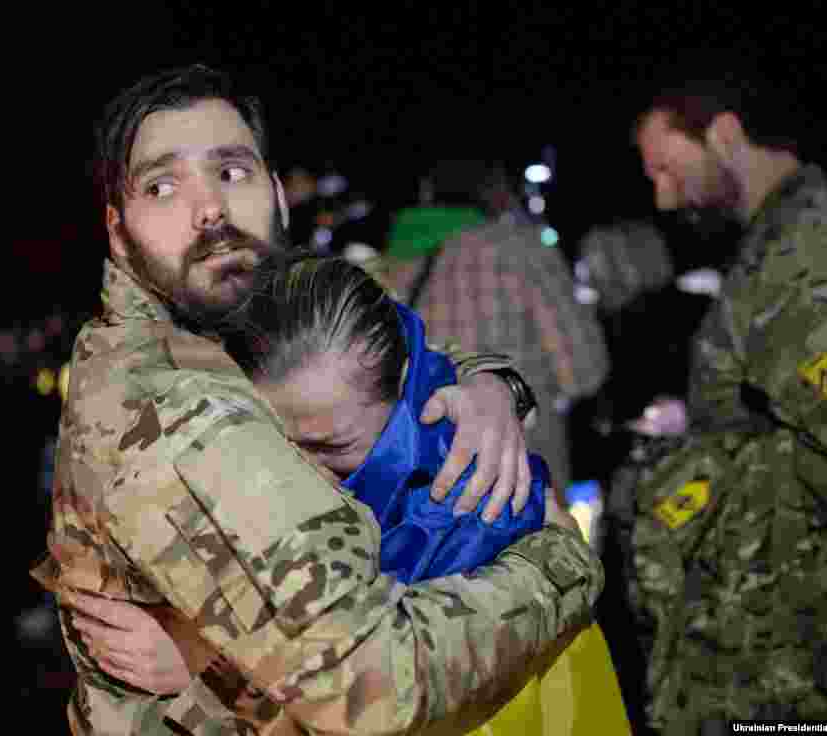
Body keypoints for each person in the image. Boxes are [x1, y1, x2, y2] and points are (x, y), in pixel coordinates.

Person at [32, 64, 603, 735]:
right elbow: (374, 686)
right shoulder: (175, 404)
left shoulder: (249, 315)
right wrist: (561, 564)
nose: (208, 207)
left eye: (231, 170)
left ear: (276, 192)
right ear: (119, 230)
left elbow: (394, 348)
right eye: (162, 185)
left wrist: (485, 385)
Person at [65, 254, 632, 735]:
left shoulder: (456, 500)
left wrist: (206, 661)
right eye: (281, 448)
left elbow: (378, 687)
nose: (303, 477)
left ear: (407, 382)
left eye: (332, 447)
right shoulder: (398, 419)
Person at [617, 75, 827, 731]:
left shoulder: (811, 244)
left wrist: (674, 483)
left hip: (812, 650)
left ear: (724, 135)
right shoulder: (781, 233)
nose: (664, 197)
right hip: (786, 631)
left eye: (668, 168)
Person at [369, 159, 610, 499]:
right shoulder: (521, 250)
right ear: (497, 194)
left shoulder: (390, 266)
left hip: (428, 483)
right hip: (523, 474)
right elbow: (584, 370)